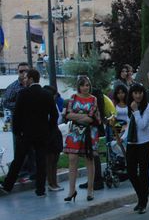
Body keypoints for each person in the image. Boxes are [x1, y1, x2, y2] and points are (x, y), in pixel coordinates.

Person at [0, 69, 58, 197]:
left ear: (31, 79)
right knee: (40, 161)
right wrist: (49, 130)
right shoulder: (47, 95)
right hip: (42, 134)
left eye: (26, 78)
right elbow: (54, 115)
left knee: (18, 160)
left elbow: (17, 115)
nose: (24, 80)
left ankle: (7, 185)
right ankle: (40, 190)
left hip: (25, 134)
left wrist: (17, 131)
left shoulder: (23, 94)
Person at [63, 76, 101, 202]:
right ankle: (71, 190)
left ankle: (90, 190)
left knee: (89, 159)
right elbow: (67, 114)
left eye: (88, 85)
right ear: (79, 86)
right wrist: (81, 116)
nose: (86, 87)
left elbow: (91, 117)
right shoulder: (73, 98)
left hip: (89, 132)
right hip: (75, 132)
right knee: (72, 159)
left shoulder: (93, 99)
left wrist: (76, 116)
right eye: (83, 85)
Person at [125, 83, 149, 214]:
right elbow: (130, 125)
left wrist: (136, 111)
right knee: (131, 172)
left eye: (140, 92)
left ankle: (143, 202)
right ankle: (141, 196)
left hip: (145, 143)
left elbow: (142, 125)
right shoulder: (130, 107)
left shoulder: (148, 108)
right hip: (132, 143)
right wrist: (122, 137)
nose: (138, 95)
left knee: (143, 173)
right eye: (135, 93)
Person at [42, 85, 64, 192]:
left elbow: (58, 118)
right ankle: (50, 182)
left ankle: (54, 182)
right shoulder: (43, 106)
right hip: (48, 133)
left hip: (55, 132)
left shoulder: (53, 104)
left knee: (55, 159)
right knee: (49, 160)